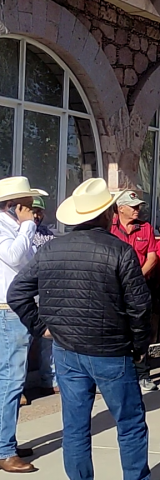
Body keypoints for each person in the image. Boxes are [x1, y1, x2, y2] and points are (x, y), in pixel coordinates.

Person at [8, 178, 151, 480]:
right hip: (110, 351)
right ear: (109, 213)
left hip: (67, 349)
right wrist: (139, 348)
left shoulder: (51, 249)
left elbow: (17, 292)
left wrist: (42, 327)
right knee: (130, 423)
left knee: (75, 427)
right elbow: (140, 307)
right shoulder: (120, 251)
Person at [0, 177, 46, 473]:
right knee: (11, 381)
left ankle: (7, 441)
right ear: (15, 205)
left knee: (10, 380)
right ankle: (4, 450)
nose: (33, 211)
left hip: (19, 310)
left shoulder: (15, 228)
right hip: (8, 311)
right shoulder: (5, 228)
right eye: (28, 205)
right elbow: (15, 259)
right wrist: (28, 226)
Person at [110, 190, 159, 392]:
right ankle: (116, 374)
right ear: (121, 208)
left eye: (139, 206)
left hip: (139, 287)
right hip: (114, 288)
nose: (138, 210)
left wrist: (136, 277)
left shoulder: (146, 228)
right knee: (115, 330)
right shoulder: (109, 228)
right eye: (134, 207)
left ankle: (142, 374)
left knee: (140, 329)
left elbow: (152, 257)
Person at [30, 196, 57, 399]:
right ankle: (18, 387)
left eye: (40, 211)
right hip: (26, 294)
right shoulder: (16, 233)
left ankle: (49, 380)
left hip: (46, 292)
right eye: (33, 211)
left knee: (49, 338)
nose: (37, 215)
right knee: (23, 342)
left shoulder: (48, 234)